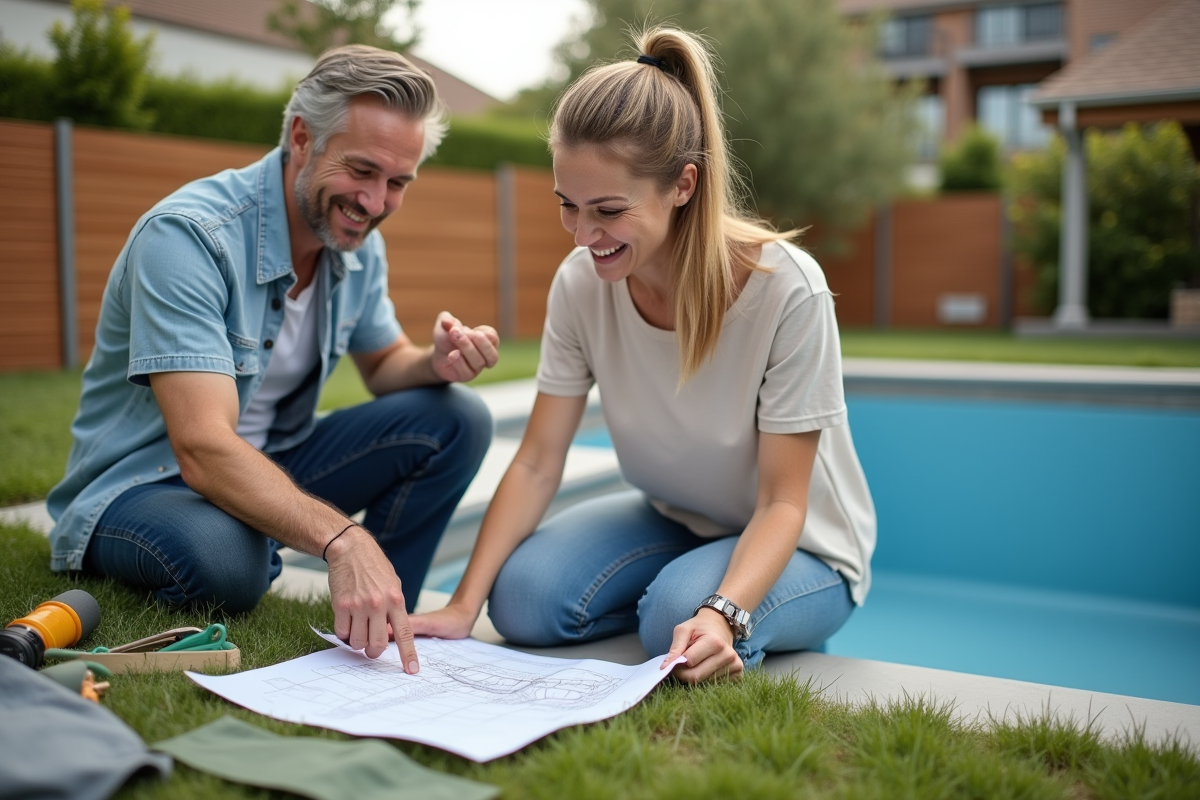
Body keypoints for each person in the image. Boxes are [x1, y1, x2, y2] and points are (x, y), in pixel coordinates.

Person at [411, 28, 876, 684]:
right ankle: (697, 601)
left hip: (807, 548)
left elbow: (781, 503)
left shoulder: (787, 290)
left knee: (676, 621)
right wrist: (462, 606)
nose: (582, 235)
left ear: (682, 185)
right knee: (521, 601)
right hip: (674, 518)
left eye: (607, 210)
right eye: (567, 206)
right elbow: (540, 461)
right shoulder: (580, 284)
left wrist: (721, 609)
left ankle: (746, 624)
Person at [47, 45, 500, 672]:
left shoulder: (356, 244)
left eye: (398, 183)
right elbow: (203, 447)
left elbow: (385, 365)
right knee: (228, 563)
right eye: (362, 171)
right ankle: (280, 551)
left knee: (459, 417)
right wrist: (342, 537)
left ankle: (391, 611)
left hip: (270, 462)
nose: (375, 202)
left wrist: (435, 364)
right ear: (300, 136)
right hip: (143, 485)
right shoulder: (188, 237)